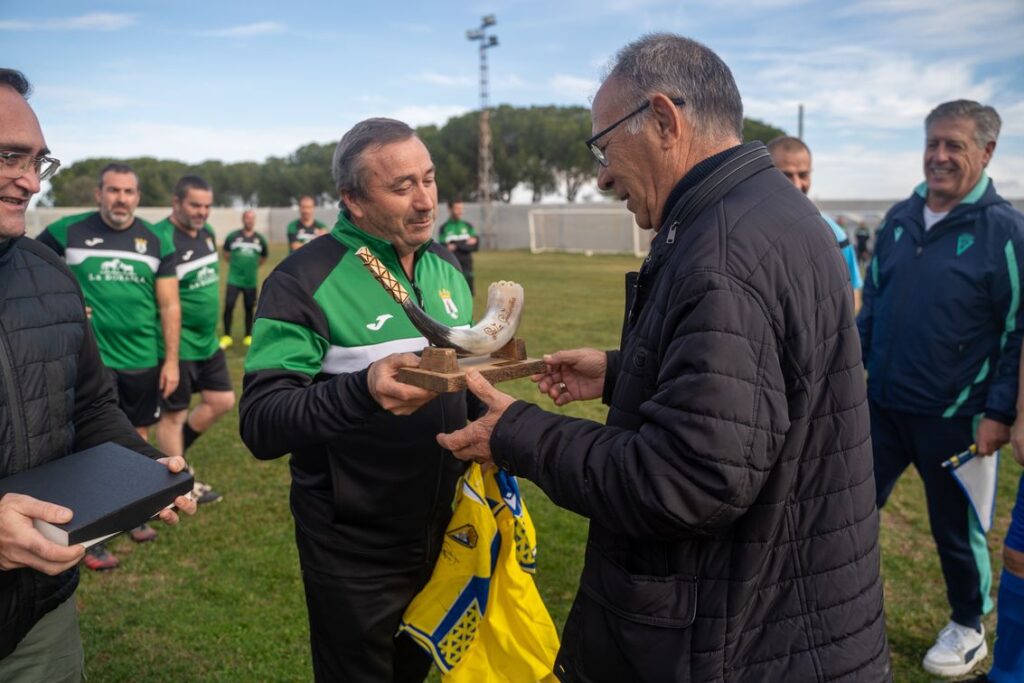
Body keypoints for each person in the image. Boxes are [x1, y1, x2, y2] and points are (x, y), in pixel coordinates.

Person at [437, 33, 890, 681]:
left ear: (663, 120)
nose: (601, 174)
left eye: (603, 145)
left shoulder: (723, 251)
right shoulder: (778, 212)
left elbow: (687, 480)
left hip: (739, 642)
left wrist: (518, 432)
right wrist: (623, 372)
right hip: (792, 614)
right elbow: (762, 385)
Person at [239, 118, 476, 682]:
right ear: (353, 200)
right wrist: (362, 390)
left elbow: (459, 379)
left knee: (416, 671)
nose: (426, 202)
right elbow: (261, 423)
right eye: (402, 188)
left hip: (446, 528)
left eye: (430, 179)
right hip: (354, 545)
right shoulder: (302, 279)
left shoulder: (447, 267)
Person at [0, 67, 195, 682]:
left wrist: (136, 468)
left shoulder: (50, 275)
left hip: (38, 616)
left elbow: (88, 406)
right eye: (10, 156)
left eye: (39, 162)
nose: (30, 181)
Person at [859, 99, 1024, 677]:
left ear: (986, 151)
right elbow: (873, 303)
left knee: (955, 531)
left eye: (954, 144)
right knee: (849, 505)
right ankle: (837, 602)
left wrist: (999, 411)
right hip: (881, 406)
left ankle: (968, 626)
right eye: (933, 142)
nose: (939, 155)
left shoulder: (1005, 230)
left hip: (958, 416)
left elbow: (1017, 329)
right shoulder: (902, 217)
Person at [37, 162, 181, 569]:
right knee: (87, 445)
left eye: (129, 192)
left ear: (138, 197)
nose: (121, 198)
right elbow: (28, 269)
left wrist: (171, 360)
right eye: (113, 190)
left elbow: (169, 304)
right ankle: (91, 534)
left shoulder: (154, 241)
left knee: (135, 437)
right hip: (87, 361)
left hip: (142, 357)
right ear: (98, 194)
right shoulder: (66, 231)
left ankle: (135, 512)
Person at [152, 176, 235, 505]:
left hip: (208, 342)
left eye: (206, 206)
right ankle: (178, 487)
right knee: (174, 416)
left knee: (222, 401)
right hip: (177, 344)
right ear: (176, 202)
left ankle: (171, 461)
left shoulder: (208, 235)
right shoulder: (160, 238)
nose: (202, 212)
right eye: (194, 205)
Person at [767, 135, 864, 312]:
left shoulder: (835, 234)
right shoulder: (749, 232)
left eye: (803, 175)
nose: (796, 184)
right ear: (767, 173)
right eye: (786, 175)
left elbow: (853, 293)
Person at [220, 209, 268, 350]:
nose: (249, 220)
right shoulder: (233, 237)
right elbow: (226, 254)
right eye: (247, 218)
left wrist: (251, 266)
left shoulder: (260, 239)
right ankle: (226, 336)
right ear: (243, 219)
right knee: (229, 305)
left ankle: (248, 336)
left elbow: (263, 257)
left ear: (254, 221)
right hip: (233, 279)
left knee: (249, 308)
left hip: (250, 281)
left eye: (252, 218)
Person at [437, 199, 478, 294]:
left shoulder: (467, 226)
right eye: (457, 208)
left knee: (468, 294)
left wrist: (455, 245)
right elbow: (443, 248)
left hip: (467, 265)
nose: (460, 211)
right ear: (449, 209)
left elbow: (475, 246)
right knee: (453, 293)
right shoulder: (444, 228)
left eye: (461, 208)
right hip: (452, 265)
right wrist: (464, 244)